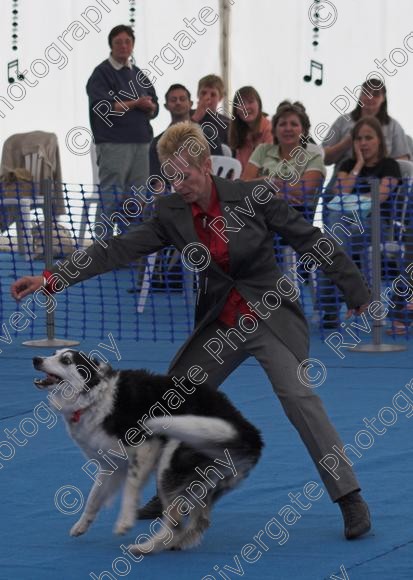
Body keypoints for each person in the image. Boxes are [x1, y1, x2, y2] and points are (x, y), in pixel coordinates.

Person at [11, 122, 371, 541]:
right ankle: (170, 492)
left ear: (206, 165)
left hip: (268, 313)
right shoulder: (170, 212)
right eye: (169, 176)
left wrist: (356, 289)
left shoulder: (253, 195)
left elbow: (310, 238)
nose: (177, 184)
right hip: (221, 322)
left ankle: (349, 496)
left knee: (298, 398)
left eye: (185, 175)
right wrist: (52, 278)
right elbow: (117, 250)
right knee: (171, 400)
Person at [319, 116, 401, 328]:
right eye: (359, 139)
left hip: (377, 227)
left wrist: (352, 200)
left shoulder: (390, 165)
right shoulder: (347, 164)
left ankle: (335, 304)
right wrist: (359, 165)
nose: (363, 143)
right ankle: (333, 309)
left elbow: (379, 197)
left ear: (379, 141)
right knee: (332, 240)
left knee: (332, 244)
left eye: (368, 138)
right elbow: (339, 192)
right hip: (346, 227)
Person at [86, 24, 158, 234]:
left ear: (133, 45)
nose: (123, 46)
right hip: (113, 144)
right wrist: (135, 103)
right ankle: (103, 249)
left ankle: (129, 250)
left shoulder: (138, 74)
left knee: (135, 200)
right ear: (111, 46)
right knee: (111, 197)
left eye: (127, 41)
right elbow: (103, 107)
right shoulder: (101, 74)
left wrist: (150, 107)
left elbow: (155, 106)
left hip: (142, 145)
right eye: (118, 42)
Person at [322, 78, 409, 194]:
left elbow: (404, 162)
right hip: (343, 178)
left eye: (376, 95)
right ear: (360, 96)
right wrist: (346, 143)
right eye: (366, 93)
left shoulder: (393, 126)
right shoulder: (343, 121)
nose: (370, 98)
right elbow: (324, 158)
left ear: (383, 98)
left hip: (380, 185)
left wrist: (382, 164)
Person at [242, 101, 326, 220]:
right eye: (282, 124)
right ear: (275, 130)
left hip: (295, 218)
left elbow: (302, 192)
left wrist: (265, 185)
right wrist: (272, 186)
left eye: (294, 124)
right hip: (258, 213)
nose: (288, 128)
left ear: (303, 130)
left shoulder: (314, 157)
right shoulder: (262, 150)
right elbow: (244, 184)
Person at [149, 83, 223, 192]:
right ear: (166, 106)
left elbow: (221, 167)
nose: (178, 102)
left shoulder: (208, 133)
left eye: (182, 99)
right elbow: (157, 183)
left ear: (191, 103)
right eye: (173, 100)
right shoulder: (157, 142)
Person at [228, 86, 272, 171]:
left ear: (259, 105)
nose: (246, 107)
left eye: (250, 102)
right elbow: (239, 170)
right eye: (241, 103)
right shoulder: (241, 132)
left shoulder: (270, 131)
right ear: (236, 110)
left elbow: (268, 171)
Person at [191, 74, 231, 145]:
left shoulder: (226, 124)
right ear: (197, 94)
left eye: (213, 95)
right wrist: (195, 118)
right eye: (203, 93)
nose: (207, 97)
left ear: (220, 98)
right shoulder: (185, 116)